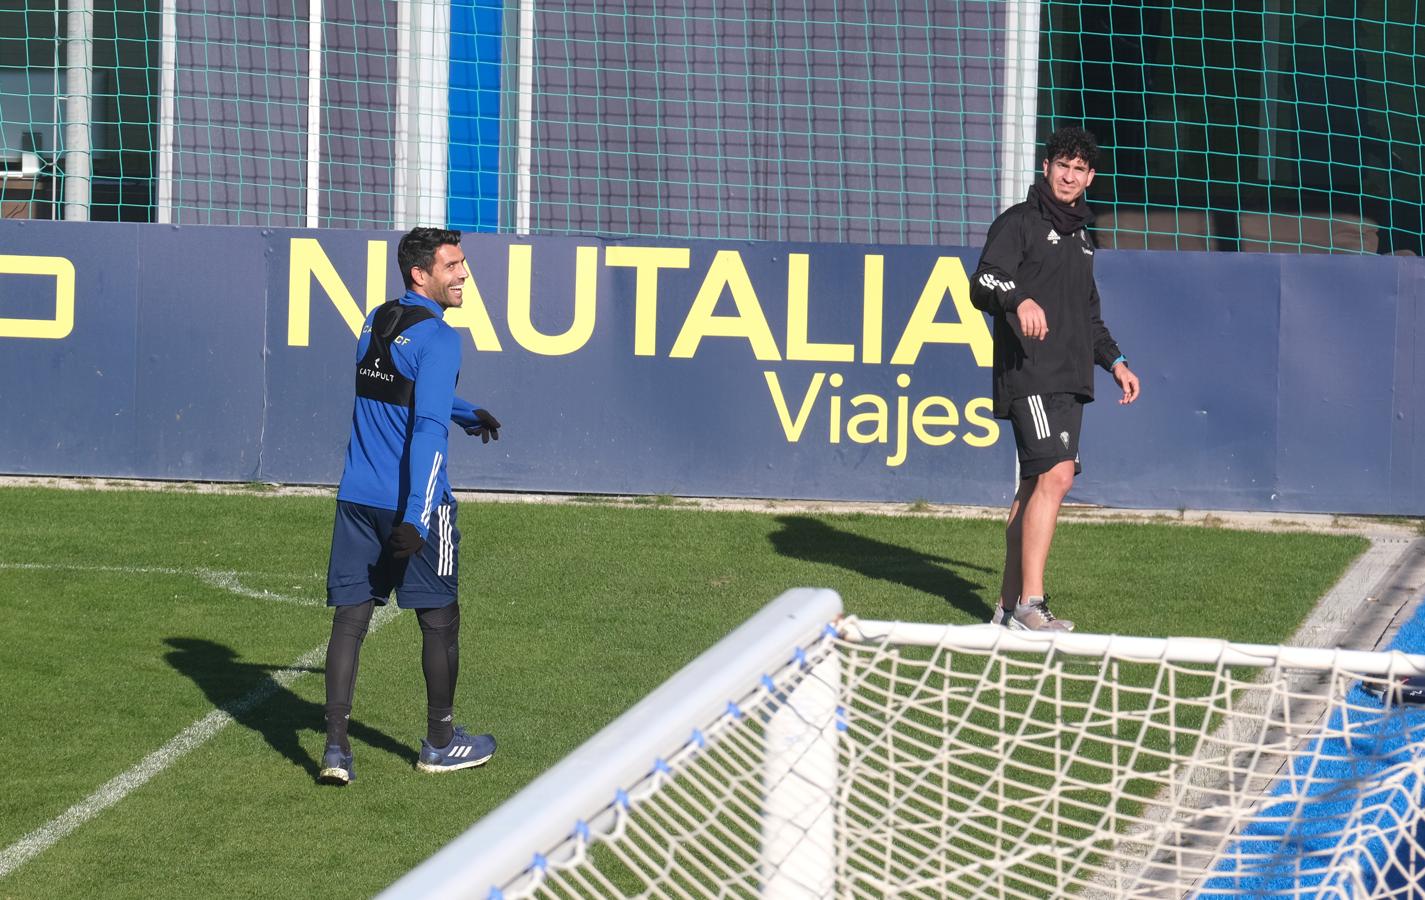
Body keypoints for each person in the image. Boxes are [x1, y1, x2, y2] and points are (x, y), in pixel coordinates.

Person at [319, 226, 503, 785]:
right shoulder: (442, 339)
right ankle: (441, 742)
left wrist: (467, 412)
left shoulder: (376, 320)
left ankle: (335, 751)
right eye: (452, 266)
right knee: (439, 621)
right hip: (411, 505)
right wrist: (419, 517)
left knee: (351, 620)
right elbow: (425, 429)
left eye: (463, 264)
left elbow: (400, 391)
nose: (464, 274)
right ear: (421, 274)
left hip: (356, 498)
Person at [969, 126, 1140, 632]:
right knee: (1059, 475)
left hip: (1069, 378)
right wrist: (1017, 299)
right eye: (1061, 165)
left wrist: (1116, 362)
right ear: (1046, 168)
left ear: (1090, 178)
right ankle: (1031, 604)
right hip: (1031, 372)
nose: (1069, 176)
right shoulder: (1018, 222)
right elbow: (984, 281)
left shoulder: (1083, 239)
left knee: (1034, 488)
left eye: (1079, 169)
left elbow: (1088, 317)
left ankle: (1004, 608)